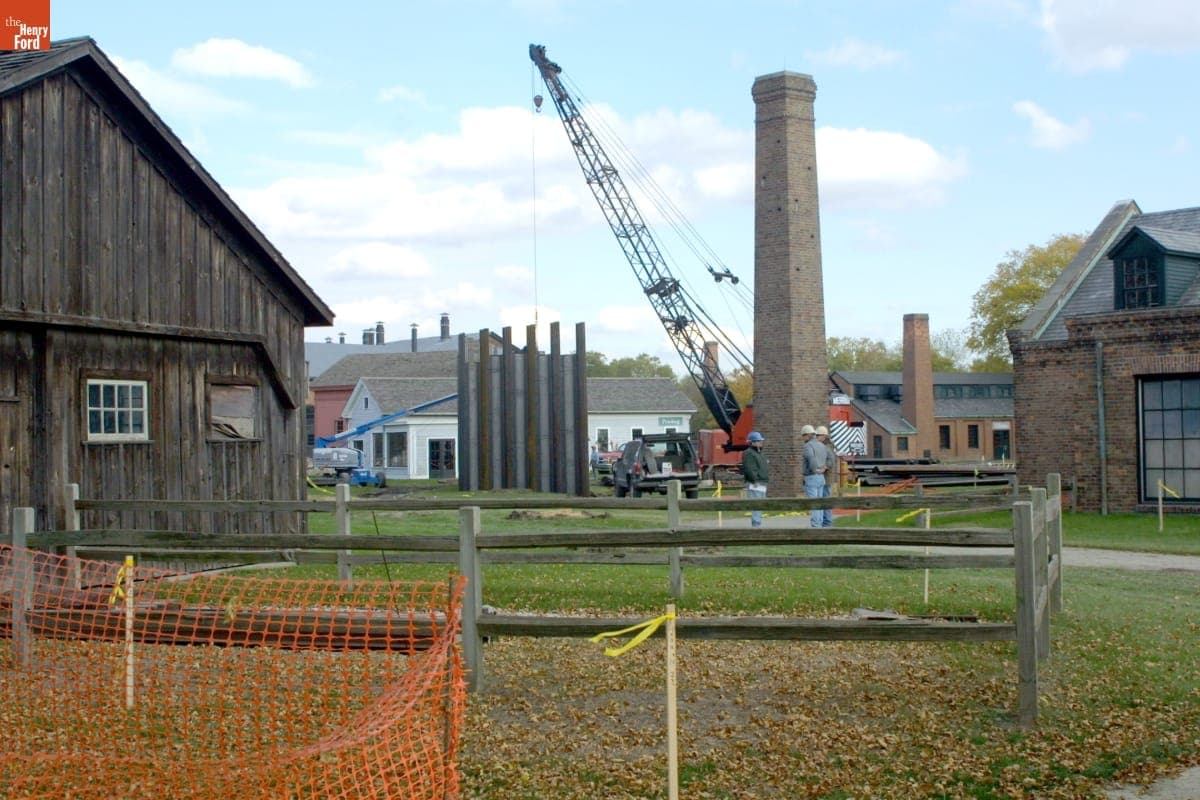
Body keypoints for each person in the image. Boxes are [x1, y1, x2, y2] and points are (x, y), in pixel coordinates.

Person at [800, 424, 829, 528]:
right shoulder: (822, 445)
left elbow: (811, 459)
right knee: (820, 502)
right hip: (821, 476)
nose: (803, 438)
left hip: (812, 476)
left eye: (803, 436)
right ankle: (820, 523)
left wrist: (814, 470)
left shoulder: (808, 446)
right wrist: (823, 468)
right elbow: (827, 458)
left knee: (814, 503)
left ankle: (816, 525)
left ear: (807, 435)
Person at [741, 430, 769, 527]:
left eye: (761, 441)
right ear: (752, 442)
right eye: (758, 441)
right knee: (756, 506)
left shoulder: (759, 453)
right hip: (756, 483)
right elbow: (749, 468)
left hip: (762, 482)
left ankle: (758, 524)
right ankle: (756, 526)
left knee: (760, 505)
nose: (761, 442)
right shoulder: (749, 453)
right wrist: (754, 480)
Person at [816, 425, 837, 528]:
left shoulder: (827, 447)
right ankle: (826, 522)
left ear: (823, 436)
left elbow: (830, 461)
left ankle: (827, 523)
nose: (817, 438)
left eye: (818, 436)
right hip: (825, 478)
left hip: (825, 478)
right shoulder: (827, 446)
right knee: (824, 501)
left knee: (825, 501)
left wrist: (824, 468)